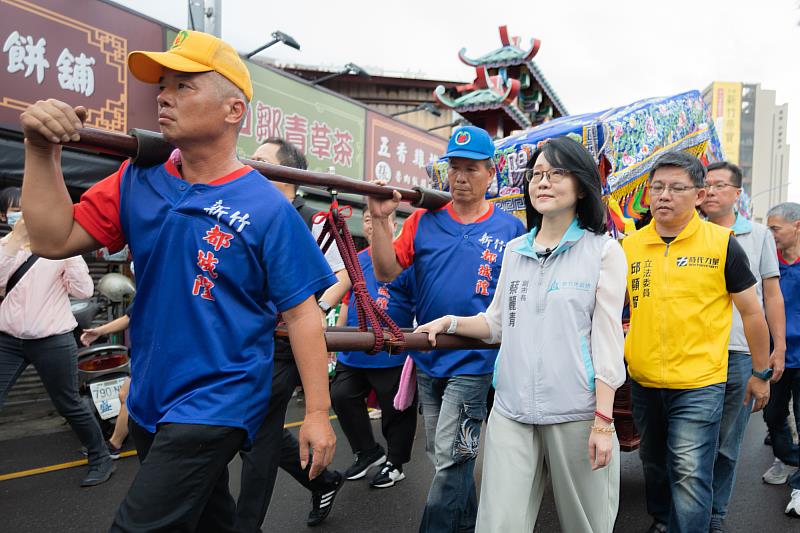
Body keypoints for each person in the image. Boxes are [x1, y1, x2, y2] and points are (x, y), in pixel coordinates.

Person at [19, 30, 337, 531]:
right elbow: (52, 239)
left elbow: (302, 314)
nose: (164, 95)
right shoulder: (138, 178)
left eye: (184, 86)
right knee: (209, 518)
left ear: (233, 111)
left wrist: (317, 413)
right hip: (150, 393)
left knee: (138, 525)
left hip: (219, 399)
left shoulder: (268, 208)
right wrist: (41, 149)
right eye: (163, 84)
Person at [416, 137, 626, 532]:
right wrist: (451, 322)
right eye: (537, 174)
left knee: (589, 525)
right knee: (497, 525)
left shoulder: (603, 252)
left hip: (577, 414)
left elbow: (608, 342)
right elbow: (496, 324)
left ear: (581, 185)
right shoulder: (514, 250)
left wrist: (603, 421)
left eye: (557, 173)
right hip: (510, 412)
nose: (543, 182)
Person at [368, 125, 527, 532]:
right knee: (446, 455)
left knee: (453, 454)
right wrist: (383, 221)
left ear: (491, 173)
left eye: (471, 169)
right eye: (454, 168)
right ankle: (469, 525)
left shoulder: (510, 231)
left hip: (475, 361)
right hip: (428, 358)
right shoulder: (424, 219)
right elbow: (386, 273)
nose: (460, 177)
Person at [623, 151, 772, 533]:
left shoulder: (721, 244)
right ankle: (661, 521)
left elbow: (753, 312)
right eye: (657, 187)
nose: (664, 196)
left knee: (690, 472)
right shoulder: (630, 247)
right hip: (643, 380)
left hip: (700, 382)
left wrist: (761, 372)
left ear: (699, 195)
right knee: (653, 462)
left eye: (676, 188)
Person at [236, 138, 344, 531]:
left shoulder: (315, 220)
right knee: (241, 428)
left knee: (257, 435)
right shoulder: (240, 209)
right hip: (240, 342)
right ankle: (324, 481)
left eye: (262, 161)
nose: (250, 165)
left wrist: (316, 308)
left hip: (284, 344)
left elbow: (344, 273)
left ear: (289, 174)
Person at [0, 187, 113, 486]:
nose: (23, 215)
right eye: (15, 210)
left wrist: (68, 250)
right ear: (4, 216)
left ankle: (100, 456)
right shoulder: (4, 246)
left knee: (69, 404)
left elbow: (83, 291)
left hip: (53, 338)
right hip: (7, 339)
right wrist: (14, 242)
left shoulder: (58, 248)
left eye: (29, 208)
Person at [701, 161, 786, 532]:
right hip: (697, 351)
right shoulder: (690, 233)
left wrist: (775, 349)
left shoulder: (757, 235)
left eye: (720, 185)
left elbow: (771, 294)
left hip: (739, 352)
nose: (712, 191)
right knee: (689, 443)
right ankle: (684, 513)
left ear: (737, 194)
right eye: (707, 185)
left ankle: (715, 515)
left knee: (726, 442)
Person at [331, 210, 418, 488]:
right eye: (367, 219)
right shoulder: (356, 260)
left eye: (379, 219)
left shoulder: (406, 260)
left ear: (393, 226)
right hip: (354, 348)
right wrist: (337, 339)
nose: (371, 224)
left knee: (396, 410)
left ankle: (395, 463)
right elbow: (346, 300)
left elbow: (420, 302)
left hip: (390, 349)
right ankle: (368, 451)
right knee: (341, 395)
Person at [764, 202, 800, 518]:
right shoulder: (768, 263)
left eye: (775, 228)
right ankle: (788, 457)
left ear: (797, 226)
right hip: (774, 354)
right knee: (773, 414)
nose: (770, 234)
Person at [81, 307, 134, 458]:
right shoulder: (149, 288)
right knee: (127, 395)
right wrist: (99, 331)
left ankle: (114, 444)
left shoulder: (163, 288)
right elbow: (129, 317)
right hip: (144, 354)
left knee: (128, 395)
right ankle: (114, 444)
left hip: (156, 354)